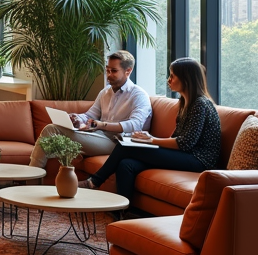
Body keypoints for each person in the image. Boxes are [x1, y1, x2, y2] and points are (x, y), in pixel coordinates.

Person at [85, 57, 221, 202]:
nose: (169, 80)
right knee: (127, 164)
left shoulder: (200, 104)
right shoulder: (184, 102)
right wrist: (148, 139)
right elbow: (177, 137)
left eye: (172, 76)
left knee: (124, 147)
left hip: (199, 160)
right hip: (186, 154)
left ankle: (94, 182)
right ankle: (122, 212)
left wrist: (151, 140)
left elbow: (185, 143)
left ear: (186, 79)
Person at [28, 51, 152, 169]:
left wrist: (101, 125)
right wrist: (76, 117)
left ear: (128, 71)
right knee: (52, 133)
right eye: (107, 70)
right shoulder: (105, 92)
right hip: (99, 136)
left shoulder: (138, 95)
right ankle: (35, 178)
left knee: (52, 130)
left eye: (114, 71)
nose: (109, 75)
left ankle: (31, 178)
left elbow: (136, 125)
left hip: (117, 142)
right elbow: (90, 114)